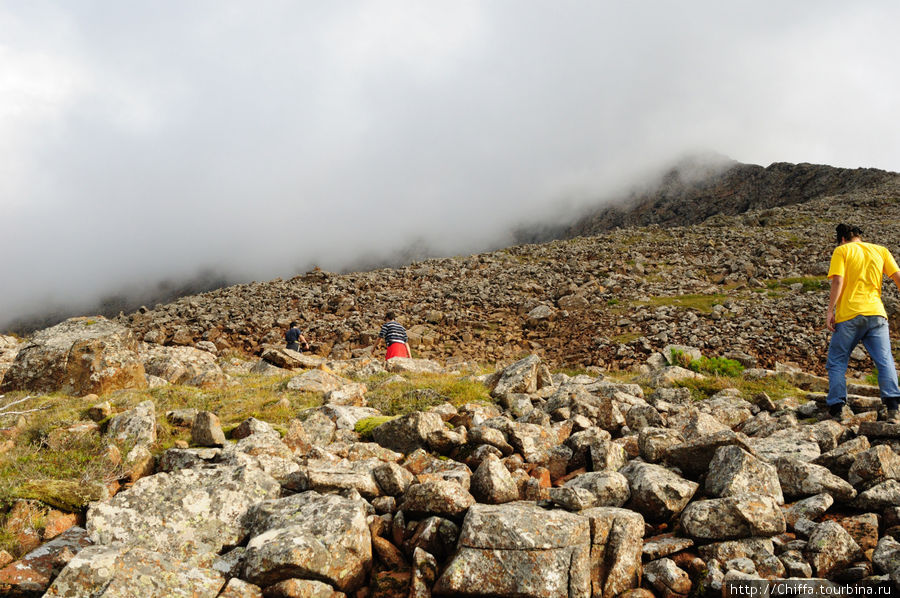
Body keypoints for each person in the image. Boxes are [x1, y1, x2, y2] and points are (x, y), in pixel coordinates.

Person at [825, 223, 900, 422]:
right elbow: (898, 277)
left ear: (842, 238)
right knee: (884, 360)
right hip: (876, 313)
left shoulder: (842, 250)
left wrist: (830, 310)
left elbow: (838, 281)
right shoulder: (881, 251)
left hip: (849, 314)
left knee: (837, 361)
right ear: (859, 236)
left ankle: (837, 407)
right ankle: (893, 408)